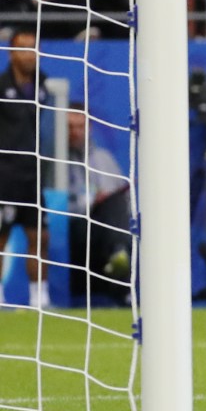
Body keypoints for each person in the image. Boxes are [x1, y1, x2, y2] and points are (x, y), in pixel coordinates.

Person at [0, 27, 51, 308]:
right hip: (4, 174)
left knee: (40, 236)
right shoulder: (1, 86)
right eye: (23, 48)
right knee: (1, 237)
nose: (29, 54)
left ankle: (39, 298)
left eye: (33, 48)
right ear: (10, 53)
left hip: (32, 175)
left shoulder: (42, 84)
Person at [66, 104, 132, 304]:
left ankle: (118, 253)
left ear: (90, 128)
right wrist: (90, 203)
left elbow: (124, 199)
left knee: (116, 201)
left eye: (80, 126)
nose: (76, 133)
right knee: (112, 205)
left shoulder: (104, 158)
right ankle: (118, 255)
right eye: (70, 127)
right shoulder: (55, 160)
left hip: (108, 226)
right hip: (77, 227)